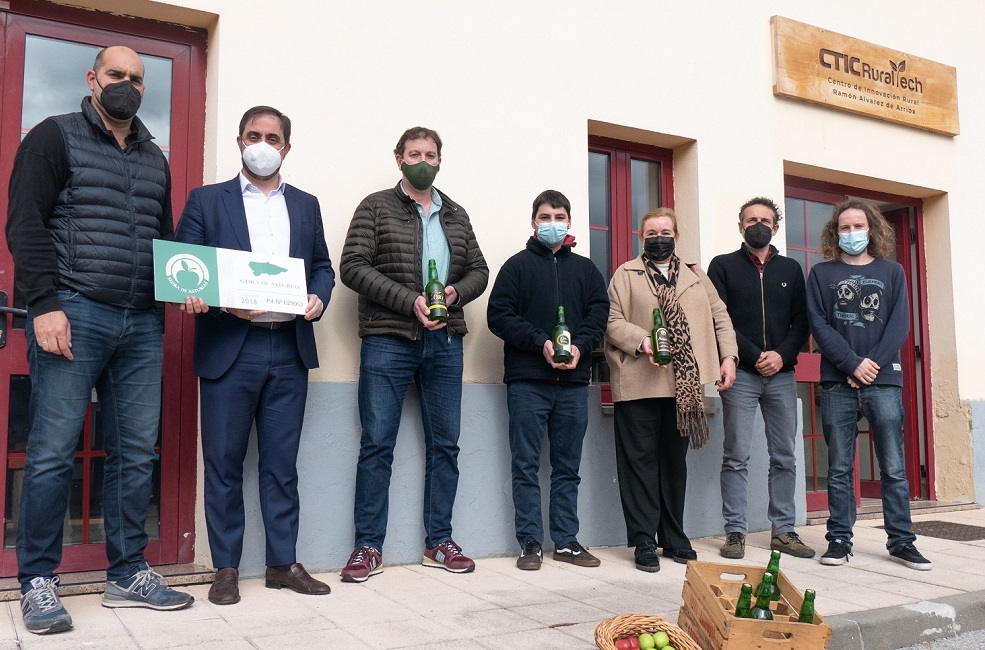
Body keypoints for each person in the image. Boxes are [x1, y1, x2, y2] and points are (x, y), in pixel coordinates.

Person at [5, 46, 193, 634]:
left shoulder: (154, 156)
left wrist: (185, 283)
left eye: (137, 79)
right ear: (92, 79)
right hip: (74, 312)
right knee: (54, 451)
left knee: (135, 453)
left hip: (139, 321)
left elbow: (164, 237)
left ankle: (127, 572)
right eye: (117, 75)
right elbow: (24, 222)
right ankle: (37, 580)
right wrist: (44, 305)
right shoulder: (53, 137)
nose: (127, 86)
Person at [173, 106, 336, 604]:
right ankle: (226, 568)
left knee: (281, 464)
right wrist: (218, 301)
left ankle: (282, 564)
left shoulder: (306, 205)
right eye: (253, 135)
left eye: (272, 137)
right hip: (229, 347)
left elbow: (324, 266)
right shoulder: (206, 201)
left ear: (286, 147)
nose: (262, 143)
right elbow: (187, 268)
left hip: (288, 348)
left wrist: (319, 297)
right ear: (239, 142)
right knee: (223, 462)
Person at [339, 127, 488, 582]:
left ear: (440, 161)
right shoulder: (376, 206)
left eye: (430, 154)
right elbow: (352, 266)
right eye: (413, 153)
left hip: (445, 343)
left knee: (445, 445)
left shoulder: (456, 214)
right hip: (388, 339)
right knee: (377, 443)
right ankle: (368, 547)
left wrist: (454, 294)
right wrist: (410, 301)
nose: (422, 159)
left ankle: (438, 541)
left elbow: (479, 271)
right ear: (398, 158)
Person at [604, 207, 737, 572]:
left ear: (676, 237)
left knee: (673, 464)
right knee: (639, 464)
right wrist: (643, 341)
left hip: (684, 388)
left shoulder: (696, 276)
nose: (658, 237)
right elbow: (611, 320)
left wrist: (730, 358)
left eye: (665, 231)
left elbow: (720, 317)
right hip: (638, 382)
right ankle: (644, 540)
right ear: (640, 237)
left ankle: (674, 536)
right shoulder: (625, 274)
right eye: (651, 232)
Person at [487, 190, 609, 571]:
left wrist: (582, 347)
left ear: (569, 221)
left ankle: (567, 542)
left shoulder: (587, 271)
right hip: (528, 382)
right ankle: (530, 543)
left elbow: (598, 314)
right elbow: (498, 315)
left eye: (558, 215)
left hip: (573, 386)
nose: (551, 222)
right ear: (533, 221)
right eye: (544, 216)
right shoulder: (516, 267)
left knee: (567, 466)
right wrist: (539, 342)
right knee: (524, 464)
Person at [807, 199, 931, 571]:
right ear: (835, 233)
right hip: (837, 383)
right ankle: (840, 539)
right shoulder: (821, 274)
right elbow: (819, 323)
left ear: (871, 230)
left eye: (857, 226)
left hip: (883, 380)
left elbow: (899, 325)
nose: (851, 234)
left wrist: (869, 366)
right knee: (840, 467)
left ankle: (902, 541)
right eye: (844, 228)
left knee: (893, 466)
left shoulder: (892, 272)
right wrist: (850, 363)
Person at [707, 197, 813, 559]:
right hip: (743, 374)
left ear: (775, 227)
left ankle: (783, 530)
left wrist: (781, 355)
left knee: (784, 455)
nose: (758, 225)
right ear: (740, 227)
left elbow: (803, 321)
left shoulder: (791, 270)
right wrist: (755, 356)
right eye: (751, 220)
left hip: (782, 375)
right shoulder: (721, 267)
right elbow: (719, 320)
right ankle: (734, 531)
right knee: (735, 454)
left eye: (765, 220)